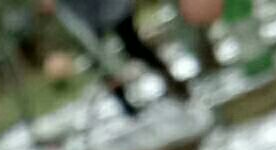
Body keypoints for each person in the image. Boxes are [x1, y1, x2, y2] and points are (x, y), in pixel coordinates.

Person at [40, 0, 192, 117]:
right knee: (99, 57)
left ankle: (169, 79)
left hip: (109, 5)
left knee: (132, 45)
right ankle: (125, 104)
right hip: (80, 9)